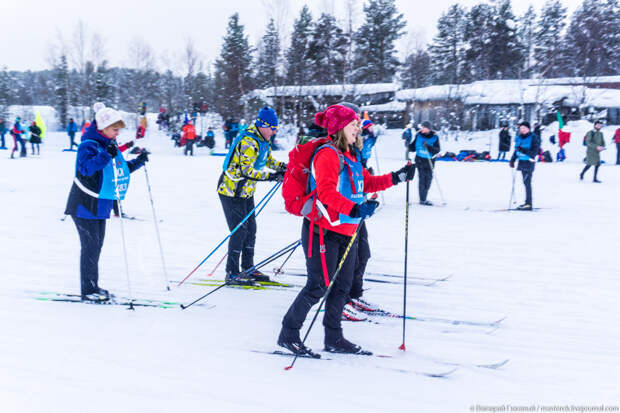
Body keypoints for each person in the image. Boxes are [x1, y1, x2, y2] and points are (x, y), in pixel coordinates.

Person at [277, 104, 415, 356]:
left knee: (342, 286)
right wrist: (353, 209)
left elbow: (367, 182)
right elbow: (326, 192)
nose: (357, 129)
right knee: (317, 285)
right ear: (340, 127)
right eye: (353, 125)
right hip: (322, 230)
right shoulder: (327, 154)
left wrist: (398, 177)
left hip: (346, 231)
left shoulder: (350, 155)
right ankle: (288, 334)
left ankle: (334, 337)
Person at [64, 103, 149, 301]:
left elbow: (119, 169)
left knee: (96, 247)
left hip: (99, 205)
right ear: (102, 128)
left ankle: (94, 286)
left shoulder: (106, 145)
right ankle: (88, 290)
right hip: (84, 204)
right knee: (90, 247)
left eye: (118, 130)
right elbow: (86, 170)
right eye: (114, 129)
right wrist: (105, 155)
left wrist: (138, 161)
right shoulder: (88, 145)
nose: (117, 133)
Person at [217, 107, 286, 285]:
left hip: (246, 192)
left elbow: (267, 160)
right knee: (239, 231)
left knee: (251, 230)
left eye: (275, 128)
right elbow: (247, 171)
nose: (274, 132)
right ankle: (232, 273)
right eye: (272, 128)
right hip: (231, 191)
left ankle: (248, 267)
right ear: (263, 126)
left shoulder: (262, 140)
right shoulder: (249, 142)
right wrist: (272, 176)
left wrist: (283, 167)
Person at [408, 121, 440, 206]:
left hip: (430, 161)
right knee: (422, 179)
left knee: (428, 180)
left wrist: (428, 147)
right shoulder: (418, 135)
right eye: (422, 127)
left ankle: (424, 197)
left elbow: (437, 150)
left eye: (424, 127)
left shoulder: (435, 137)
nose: (422, 129)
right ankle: (422, 199)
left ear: (428, 128)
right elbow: (412, 148)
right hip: (420, 161)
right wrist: (408, 142)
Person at [509, 121, 540, 210]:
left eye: (524, 128)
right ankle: (527, 203)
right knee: (525, 182)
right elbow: (516, 150)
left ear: (528, 129)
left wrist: (523, 150)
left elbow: (535, 152)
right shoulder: (519, 137)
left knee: (527, 183)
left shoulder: (533, 138)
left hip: (529, 162)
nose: (522, 130)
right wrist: (512, 160)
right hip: (521, 162)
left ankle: (529, 204)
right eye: (521, 128)